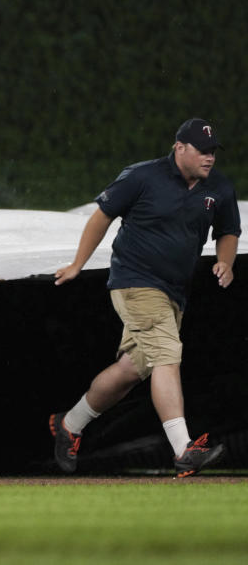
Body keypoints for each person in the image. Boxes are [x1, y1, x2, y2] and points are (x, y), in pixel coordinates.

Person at [50, 118, 239, 478]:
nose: (209, 157)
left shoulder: (220, 188)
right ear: (179, 147)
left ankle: (68, 424)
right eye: (202, 149)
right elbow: (101, 217)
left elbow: (228, 230)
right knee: (167, 354)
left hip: (174, 293)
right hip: (135, 282)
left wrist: (226, 262)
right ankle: (183, 450)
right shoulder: (142, 176)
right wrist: (77, 264)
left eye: (213, 151)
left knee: (130, 371)